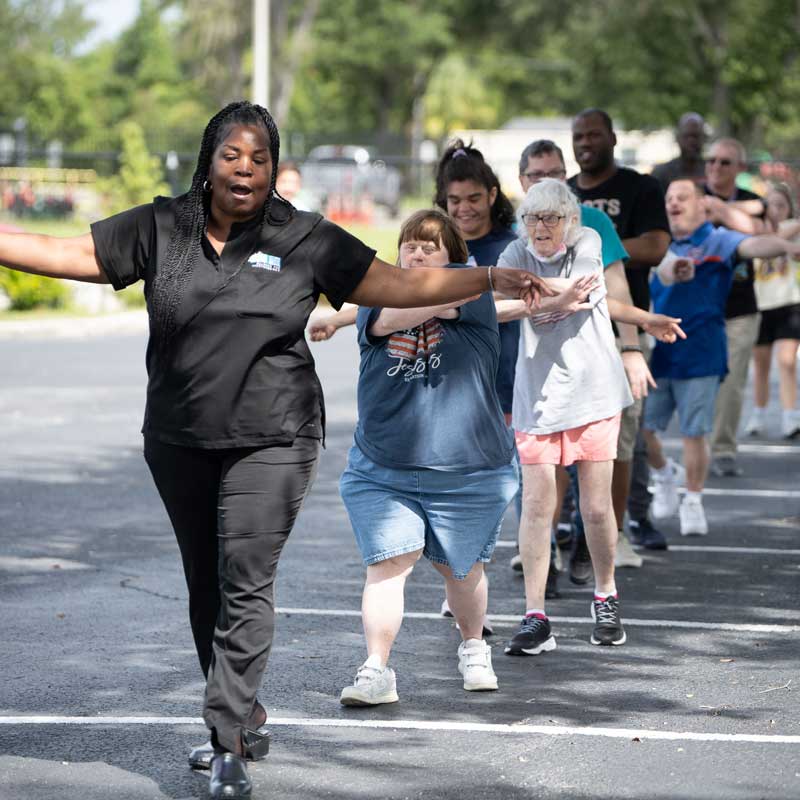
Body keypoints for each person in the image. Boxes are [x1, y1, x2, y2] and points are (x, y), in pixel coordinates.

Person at [0, 101, 544, 800]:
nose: (245, 169)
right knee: (208, 585)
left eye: (259, 158)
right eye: (232, 155)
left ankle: (226, 742)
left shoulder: (305, 239)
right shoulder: (160, 227)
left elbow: (400, 284)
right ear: (208, 160)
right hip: (179, 437)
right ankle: (244, 707)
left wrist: (490, 278)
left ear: (273, 167)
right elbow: (67, 252)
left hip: (275, 438)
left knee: (245, 577)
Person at [338, 209, 519, 704]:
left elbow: (457, 296)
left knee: (462, 570)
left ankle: (473, 647)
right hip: (385, 467)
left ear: (454, 260)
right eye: (410, 246)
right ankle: (376, 669)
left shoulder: (475, 297)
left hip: (467, 469)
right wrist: (418, 291)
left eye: (430, 247)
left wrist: (453, 286)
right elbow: (394, 315)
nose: (417, 253)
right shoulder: (376, 305)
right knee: (387, 565)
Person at [498, 178, 634, 653]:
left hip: (593, 393)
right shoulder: (515, 253)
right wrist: (554, 299)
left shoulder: (589, 241)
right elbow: (493, 307)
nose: (540, 227)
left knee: (595, 508)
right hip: (537, 398)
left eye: (551, 217)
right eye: (532, 217)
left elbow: (587, 288)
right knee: (537, 506)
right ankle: (535, 614)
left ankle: (605, 595)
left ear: (570, 221)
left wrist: (531, 297)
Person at [517, 139, 665, 557]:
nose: (547, 181)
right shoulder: (520, 228)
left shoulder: (594, 221)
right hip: (543, 357)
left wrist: (631, 348)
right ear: (521, 179)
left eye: (556, 174)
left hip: (598, 352)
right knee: (549, 456)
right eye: (537, 175)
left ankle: (608, 538)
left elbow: (614, 283)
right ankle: (551, 538)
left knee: (616, 450)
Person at [644, 179, 800, 536]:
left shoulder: (718, 239)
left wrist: (787, 247)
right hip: (660, 354)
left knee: (694, 432)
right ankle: (665, 475)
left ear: (703, 206)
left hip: (702, 352)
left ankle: (694, 500)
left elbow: (756, 243)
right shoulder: (658, 242)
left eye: (682, 197)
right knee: (643, 432)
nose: (673, 203)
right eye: (669, 198)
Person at [567, 109, 671, 576]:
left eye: (593, 134)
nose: (585, 142)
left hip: (623, 329)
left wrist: (599, 244)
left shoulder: (640, 187)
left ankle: (618, 531)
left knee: (622, 437)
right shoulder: (564, 193)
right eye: (578, 136)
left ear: (612, 138)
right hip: (567, 331)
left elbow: (656, 246)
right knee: (566, 440)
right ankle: (572, 533)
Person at [702, 138, 767, 477]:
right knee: (697, 382)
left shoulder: (753, 201)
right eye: (711, 160)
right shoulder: (690, 196)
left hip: (739, 307)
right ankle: (695, 447)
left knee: (731, 382)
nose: (715, 167)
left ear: (740, 168)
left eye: (725, 162)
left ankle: (723, 448)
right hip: (697, 307)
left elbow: (758, 232)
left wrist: (721, 209)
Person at [746, 184, 800, 439]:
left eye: (782, 205)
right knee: (761, 363)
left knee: (787, 362)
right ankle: (758, 413)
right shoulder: (756, 231)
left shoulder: (794, 229)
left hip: (789, 302)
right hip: (760, 304)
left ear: (789, 209)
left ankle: (791, 416)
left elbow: (786, 232)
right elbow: (771, 236)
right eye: (772, 205)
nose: (777, 210)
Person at [651, 113, 707, 192]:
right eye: (686, 136)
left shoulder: (713, 171)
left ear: (704, 138)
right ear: (678, 138)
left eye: (696, 136)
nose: (691, 141)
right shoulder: (661, 173)